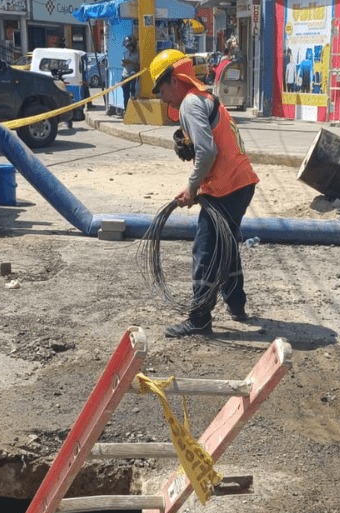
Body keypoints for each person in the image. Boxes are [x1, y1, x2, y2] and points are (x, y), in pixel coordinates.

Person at [149, 49, 260, 337]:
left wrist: (192, 186)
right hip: (239, 183)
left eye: (161, 88)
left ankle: (199, 319)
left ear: (174, 80)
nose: (161, 97)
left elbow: (208, 151)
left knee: (206, 250)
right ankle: (236, 304)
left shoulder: (189, 103)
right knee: (226, 243)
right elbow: (213, 148)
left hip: (227, 187)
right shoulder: (205, 98)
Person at [121, 35, 140, 113]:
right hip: (125, 75)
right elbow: (122, 64)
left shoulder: (139, 54)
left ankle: (133, 93)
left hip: (133, 75)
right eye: (127, 46)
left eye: (129, 46)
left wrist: (131, 63)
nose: (128, 48)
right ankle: (126, 110)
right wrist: (124, 63)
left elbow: (139, 66)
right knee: (125, 95)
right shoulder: (125, 53)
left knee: (132, 94)